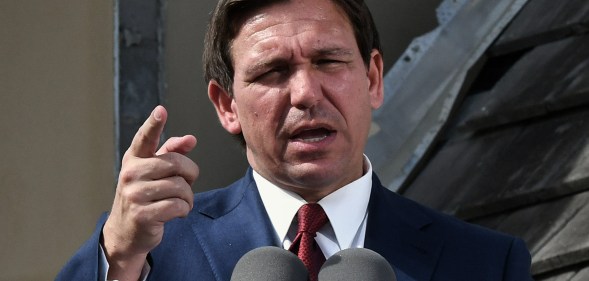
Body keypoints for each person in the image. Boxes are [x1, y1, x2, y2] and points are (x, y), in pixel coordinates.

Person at [57, 0, 533, 280]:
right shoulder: (149, 254)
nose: (306, 93)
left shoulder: (487, 263)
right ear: (227, 106)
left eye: (328, 61)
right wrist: (119, 257)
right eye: (274, 71)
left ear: (372, 79)